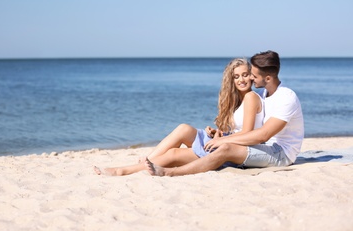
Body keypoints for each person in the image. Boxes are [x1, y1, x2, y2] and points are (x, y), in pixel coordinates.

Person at [145, 50, 304, 176]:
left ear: (267, 78)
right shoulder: (264, 94)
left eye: (253, 76)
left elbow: (262, 135)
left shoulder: (286, 97)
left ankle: (171, 172)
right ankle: (145, 162)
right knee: (186, 132)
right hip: (262, 147)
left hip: (281, 154)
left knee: (225, 148)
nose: (251, 79)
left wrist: (222, 141)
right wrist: (222, 134)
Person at [94, 58, 264, 176]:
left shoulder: (251, 97)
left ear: (251, 75)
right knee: (184, 128)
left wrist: (221, 141)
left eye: (244, 74)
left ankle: (124, 170)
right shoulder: (241, 100)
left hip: (234, 151)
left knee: (174, 154)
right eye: (236, 76)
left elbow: (248, 134)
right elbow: (239, 130)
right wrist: (218, 134)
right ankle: (147, 160)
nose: (241, 79)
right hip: (227, 141)